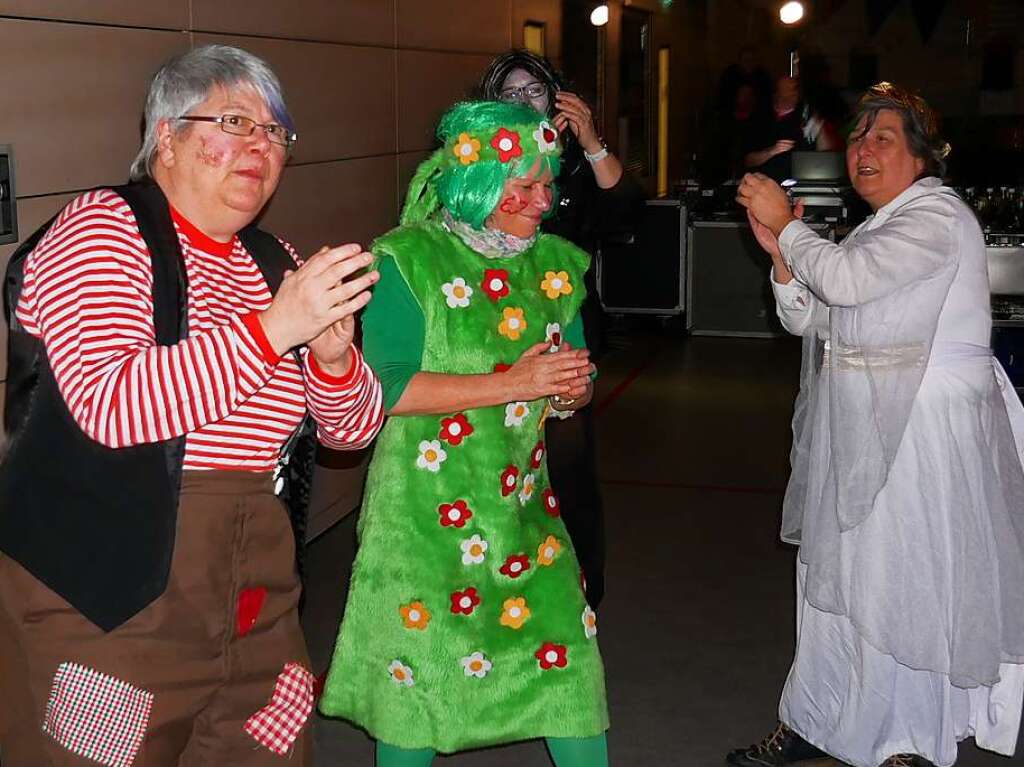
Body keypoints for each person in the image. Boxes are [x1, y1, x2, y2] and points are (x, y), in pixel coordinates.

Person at [0, 44, 384, 766]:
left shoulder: (274, 261)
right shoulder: (103, 228)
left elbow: (353, 429)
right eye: (234, 121)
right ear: (166, 136)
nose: (259, 146)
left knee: (266, 751)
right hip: (108, 604)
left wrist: (333, 358)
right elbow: (110, 403)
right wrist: (277, 330)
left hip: (255, 603)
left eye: (275, 133)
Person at [730, 82, 1024, 767]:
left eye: (883, 138)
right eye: (858, 138)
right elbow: (815, 316)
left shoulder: (937, 217)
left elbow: (849, 281)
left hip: (923, 436)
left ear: (922, 158)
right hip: (867, 430)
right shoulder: (885, 224)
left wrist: (793, 228)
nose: (862, 149)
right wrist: (782, 253)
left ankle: (909, 741)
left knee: (906, 583)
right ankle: (817, 717)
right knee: (832, 580)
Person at [319, 100, 610, 767]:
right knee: (418, 686)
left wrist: (570, 388)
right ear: (480, 183)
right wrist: (517, 382)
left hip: (522, 511)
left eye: (549, 185)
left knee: (569, 668)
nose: (544, 201)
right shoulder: (408, 260)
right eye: (526, 186)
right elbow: (386, 389)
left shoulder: (558, 265)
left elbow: (573, 380)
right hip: (421, 521)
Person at [478, 49, 643, 608]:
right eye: (510, 93)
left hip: (564, 327)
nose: (524, 103)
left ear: (557, 99)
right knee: (492, 467)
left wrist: (592, 141)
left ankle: (578, 601)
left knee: (567, 467)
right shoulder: (473, 165)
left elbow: (625, 215)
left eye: (535, 92)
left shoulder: (572, 163)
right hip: (490, 333)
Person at [743, 75, 806, 182]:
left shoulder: (806, 117)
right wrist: (772, 151)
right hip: (762, 184)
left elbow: (819, 159)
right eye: (790, 89)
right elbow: (748, 160)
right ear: (777, 93)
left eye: (796, 88)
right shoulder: (759, 117)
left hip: (796, 185)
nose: (795, 92)